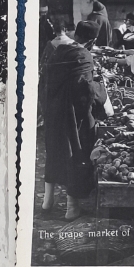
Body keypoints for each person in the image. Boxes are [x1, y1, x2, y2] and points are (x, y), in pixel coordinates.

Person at [41, 20, 111, 219]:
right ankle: (71, 209)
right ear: (93, 40)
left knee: (54, 152)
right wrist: (101, 92)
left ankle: (47, 202)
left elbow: (44, 82)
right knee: (77, 153)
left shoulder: (60, 50)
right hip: (72, 114)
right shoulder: (84, 55)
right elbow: (85, 90)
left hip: (53, 112)